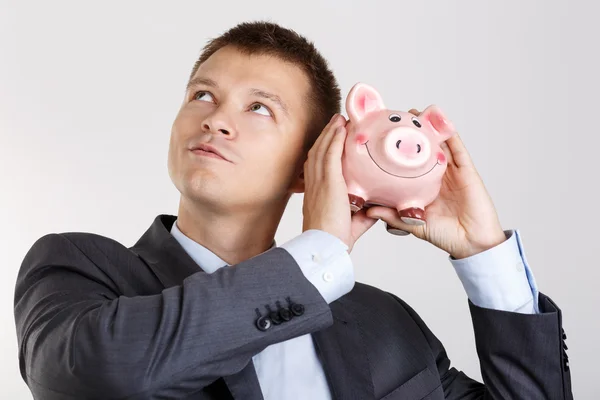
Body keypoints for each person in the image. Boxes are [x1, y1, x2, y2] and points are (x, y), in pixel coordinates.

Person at [14, 21, 573, 400]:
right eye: (202, 95)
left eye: (259, 107)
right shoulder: (80, 269)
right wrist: (319, 256)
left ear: (312, 165)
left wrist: (487, 257)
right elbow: (98, 371)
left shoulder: (387, 323)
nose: (214, 120)